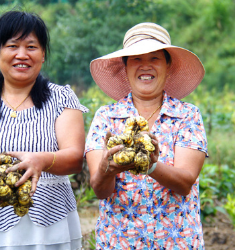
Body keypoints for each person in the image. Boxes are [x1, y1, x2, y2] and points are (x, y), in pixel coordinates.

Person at [0, 10, 88, 250]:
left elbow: (75, 157)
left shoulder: (62, 98)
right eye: (12, 46)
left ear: (43, 54)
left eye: (32, 47)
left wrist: (41, 160)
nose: (22, 55)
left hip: (51, 225)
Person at [85, 22, 208, 249]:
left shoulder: (187, 115)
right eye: (136, 59)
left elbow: (184, 183)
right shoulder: (106, 117)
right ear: (125, 67)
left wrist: (151, 166)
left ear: (168, 66)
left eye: (154, 59)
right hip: (120, 242)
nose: (145, 66)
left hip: (177, 242)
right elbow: (100, 190)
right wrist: (107, 169)